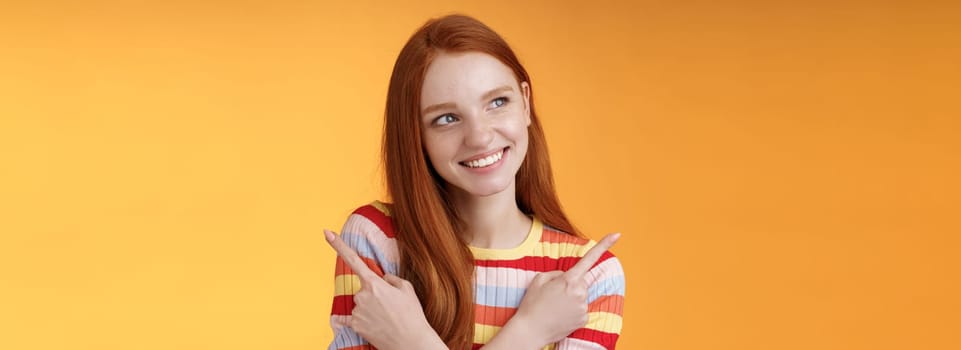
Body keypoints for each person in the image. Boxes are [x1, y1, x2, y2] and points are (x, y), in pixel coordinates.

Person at [323, 14, 626, 350]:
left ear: (525, 102)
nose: (480, 138)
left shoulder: (586, 276)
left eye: (497, 102)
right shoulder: (376, 238)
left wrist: (411, 342)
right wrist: (530, 333)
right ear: (415, 135)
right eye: (447, 118)